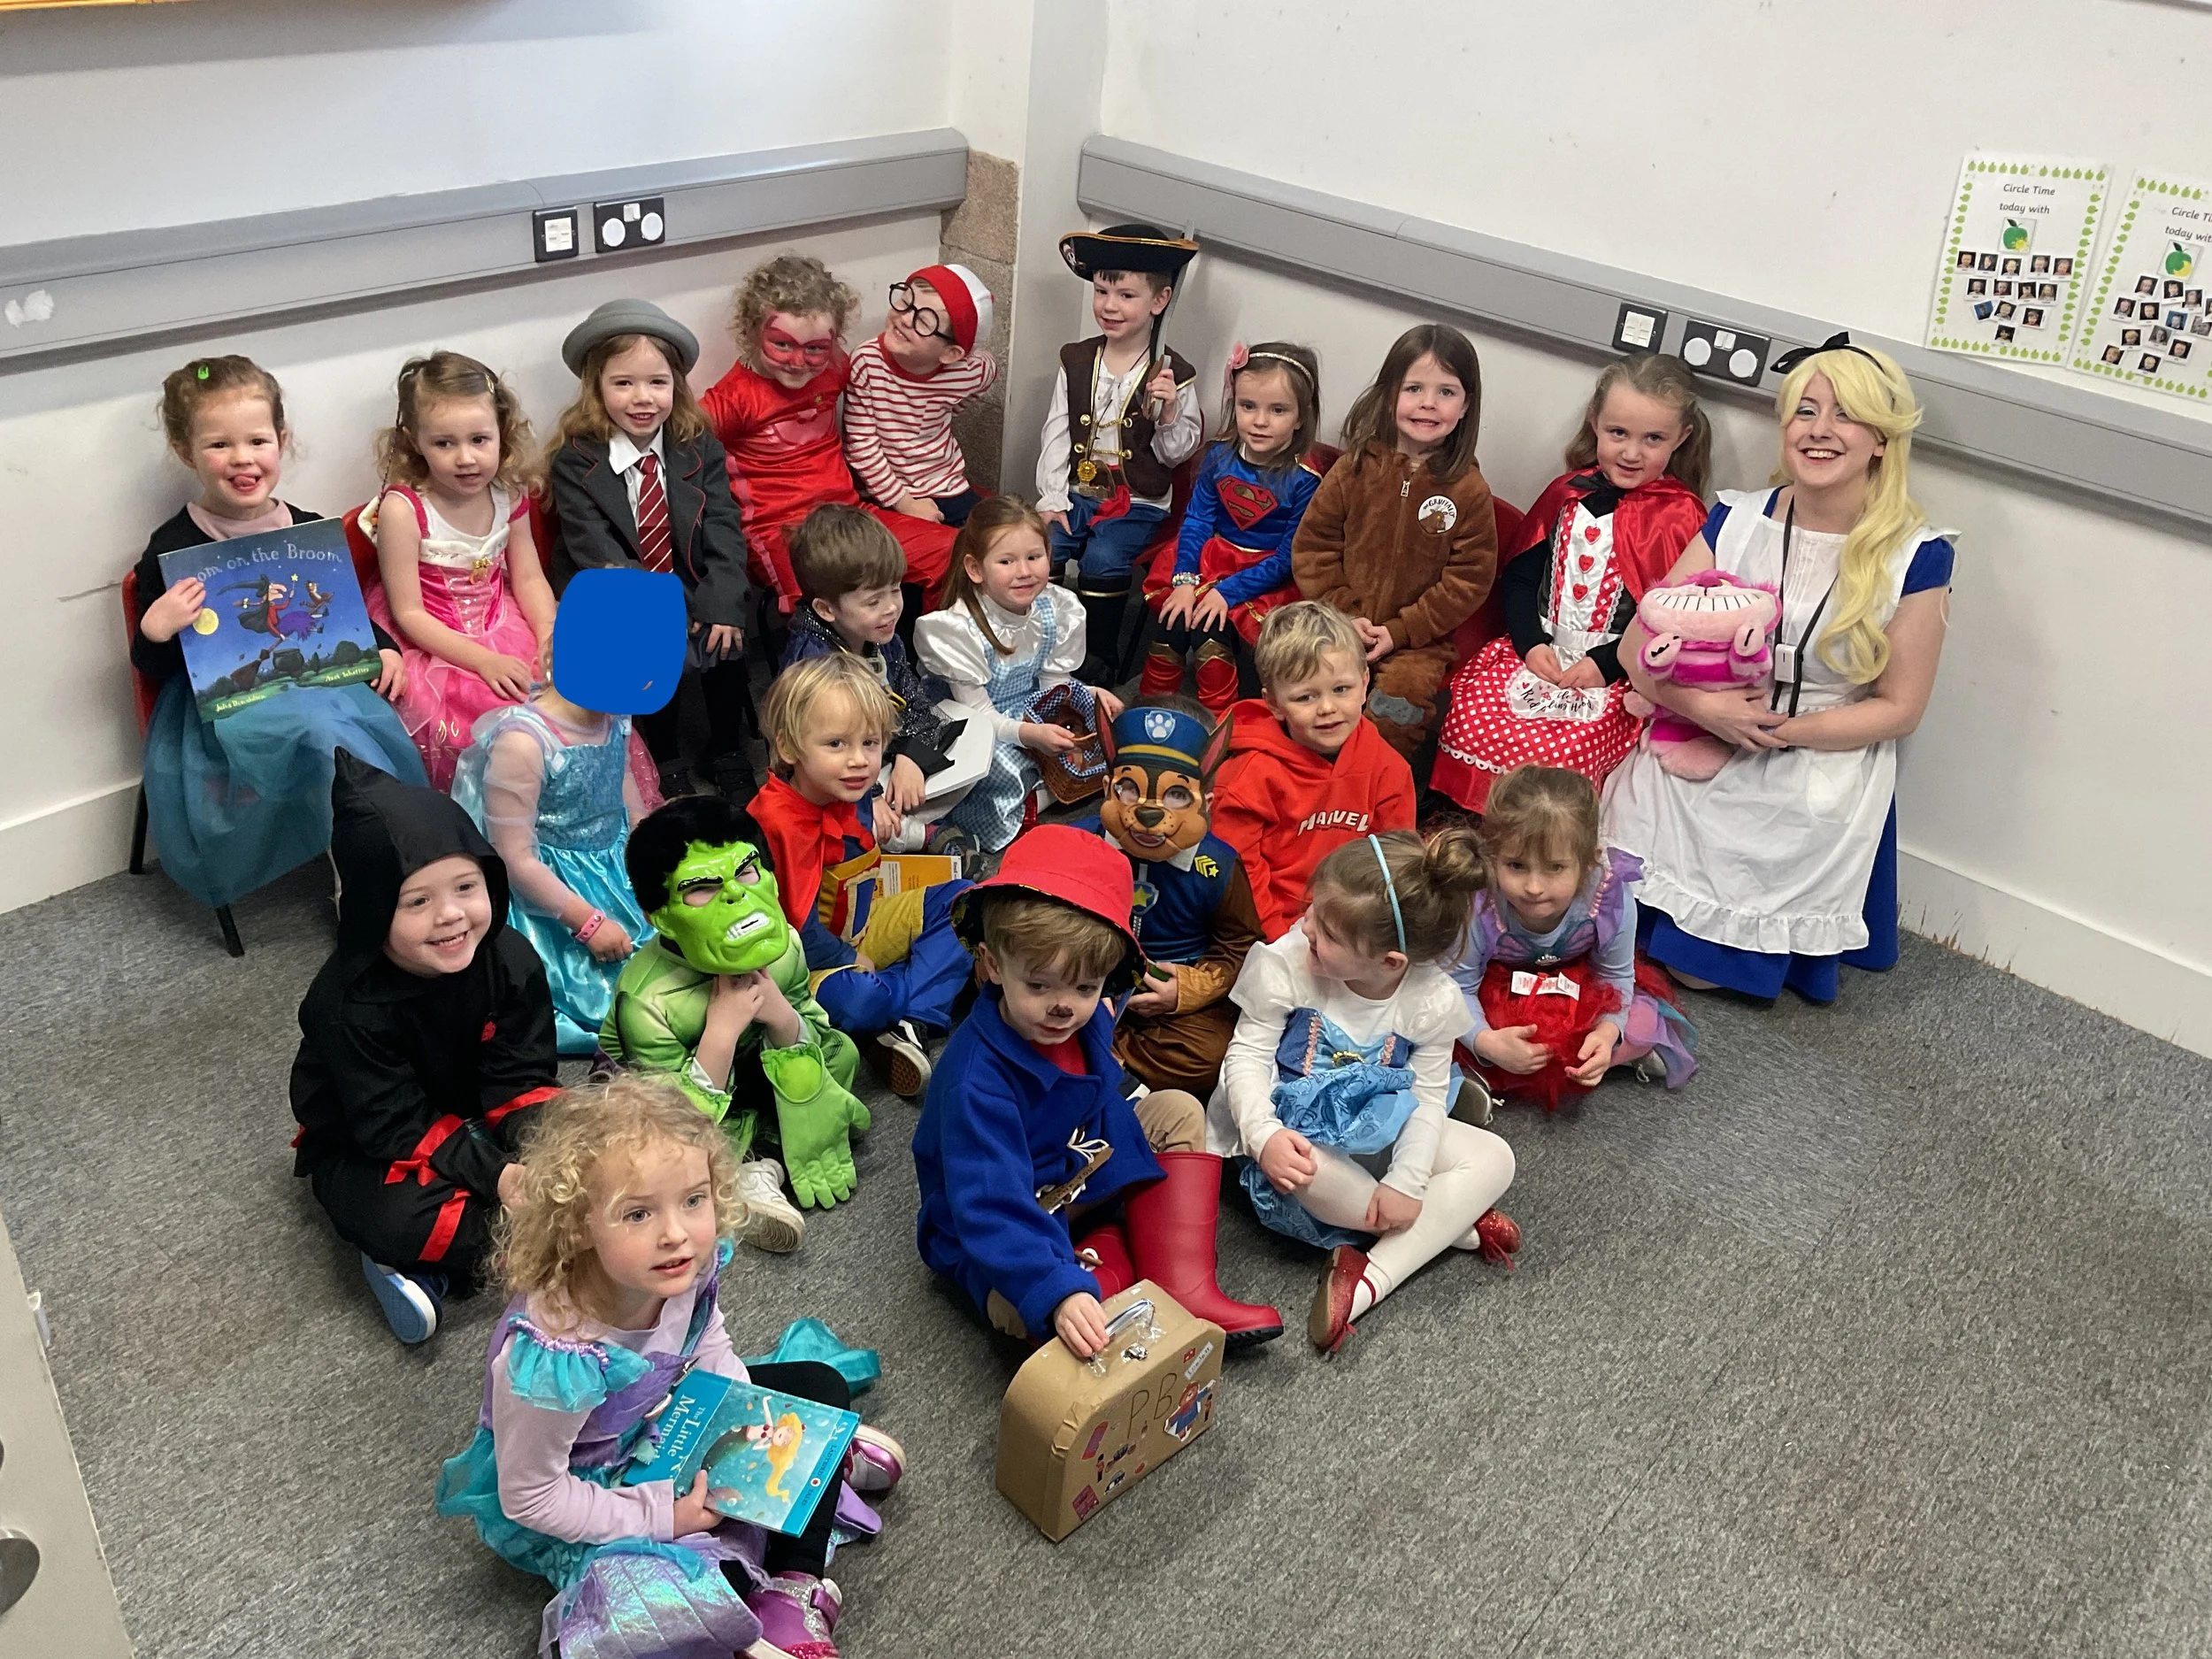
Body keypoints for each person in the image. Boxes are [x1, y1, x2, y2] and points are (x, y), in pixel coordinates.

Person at [434, 1075, 906, 1659]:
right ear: (579, 1223)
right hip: (596, 1483)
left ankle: (793, 1583)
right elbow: (533, 1497)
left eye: (694, 1200)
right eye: (638, 1213)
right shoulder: (554, 1355)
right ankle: (811, 1486)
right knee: (684, 1593)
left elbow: (707, 1338)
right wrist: (665, 1516)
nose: (677, 1234)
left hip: (667, 1420)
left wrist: (746, 1421)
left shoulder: (684, 1265)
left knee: (819, 1384)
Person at [1601, 337, 1955, 1004]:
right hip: (1704, 724)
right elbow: (1634, 647)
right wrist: (1704, 710)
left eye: (1844, 415)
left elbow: (1900, 708)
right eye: (1805, 412)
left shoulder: (1917, 556)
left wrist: (1776, 732)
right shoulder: (1735, 519)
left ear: (1881, 440)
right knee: (1607, 899)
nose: (1819, 430)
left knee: (1695, 968)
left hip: (1818, 743)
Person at [911, 825, 1283, 1352]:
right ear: (993, 965)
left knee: (1178, 1110)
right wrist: (1057, 1290)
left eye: (1085, 987)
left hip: (1075, 1169)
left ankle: (1179, 1287)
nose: (1063, 1006)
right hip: (1006, 1216)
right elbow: (991, 1206)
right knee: (1025, 1312)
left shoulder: (1087, 1019)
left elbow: (1103, 1097)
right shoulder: (976, 1082)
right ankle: (1101, 1272)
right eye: (1038, 985)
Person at [130, 355, 424, 913]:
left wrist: (384, 648)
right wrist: (157, 627)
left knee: (343, 726)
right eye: (219, 445)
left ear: (281, 441)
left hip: (318, 685)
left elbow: (341, 615)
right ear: (185, 451)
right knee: (325, 734)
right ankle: (363, 878)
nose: (242, 458)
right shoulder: (172, 546)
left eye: (258, 441)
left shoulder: (307, 528)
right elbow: (154, 666)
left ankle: (383, 853)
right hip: (227, 708)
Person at [1210, 828, 1519, 1354]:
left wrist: (1407, 1181)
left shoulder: (1432, 1000)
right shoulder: (1289, 960)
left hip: (1381, 1128)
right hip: (1296, 1134)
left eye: (1327, 932)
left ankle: (1368, 1280)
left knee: (1497, 1158)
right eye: (1313, 910)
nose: (1306, 926)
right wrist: (1264, 1137)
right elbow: (1247, 1057)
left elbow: (1426, 1099)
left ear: (1390, 962)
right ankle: (1448, 1226)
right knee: (1308, 1164)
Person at [289, 753, 557, 1344]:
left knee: (577, 1142)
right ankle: (424, 1262)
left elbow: (522, 1074)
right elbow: (393, 1124)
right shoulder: (346, 1006)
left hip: (475, 1113)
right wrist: (500, 1176)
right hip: (372, 1139)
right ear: (372, 909)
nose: (452, 915)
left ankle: (478, 1253)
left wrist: (548, 1151)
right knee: (398, 1215)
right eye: (417, 902)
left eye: (466, 887)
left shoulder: (510, 958)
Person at [1432, 354, 1711, 811]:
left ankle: (1551, 842)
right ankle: (1468, 828)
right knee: (1471, 715)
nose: (1631, 453)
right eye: (1618, 433)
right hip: (1538, 651)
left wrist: (1607, 663)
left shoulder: (1681, 516)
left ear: (1681, 437)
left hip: (1615, 672)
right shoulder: (1566, 493)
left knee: (1563, 759)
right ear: (1595, 422)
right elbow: (1520, 577)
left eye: (1653, 439)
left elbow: (1672, 620)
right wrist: (1530, 644)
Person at [603, 793, 871, 1226]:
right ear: (661, 918)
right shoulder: (647, 1002)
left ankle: (759, 1159)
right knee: (648, 1149)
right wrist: (720, 1033)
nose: (734, 895)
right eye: (701, 888)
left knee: (841, 1054)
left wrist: (781, 1016)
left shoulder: (784, 946)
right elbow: (667, 1116)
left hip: (757, 1062)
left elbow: (814, 1029)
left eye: (746, 871)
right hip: (679, 1090)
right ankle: (753, 1168)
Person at [543, 300, 756, 803]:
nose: (643, 398)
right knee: (646, 645)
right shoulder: (575, 460)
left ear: (675, 386)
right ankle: (664, 755)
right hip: (617, 584)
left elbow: (724, 527)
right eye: (623, 383)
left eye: (657, 382)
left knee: (726, 633)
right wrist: (667, 611)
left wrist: (719, 600)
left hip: (689, 573)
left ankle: (727, 747)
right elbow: (594, 548)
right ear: (597, 387)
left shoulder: (698, 447)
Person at [449, 580, 667, 1056]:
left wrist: (651, 863)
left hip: (613, 864)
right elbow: (513, 859)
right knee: (626, 1003)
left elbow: (627, 798)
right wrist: (587, 923)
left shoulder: (615, 711)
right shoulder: (525, 743)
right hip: (551, 891)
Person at [748, 654, 974, 1100]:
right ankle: (922, 997)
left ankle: (909, 1019)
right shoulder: (777, 820)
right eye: (836, 744)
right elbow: (795, 930)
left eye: (870, 743)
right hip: (810, 962)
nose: (859, 761)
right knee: (861, 1000)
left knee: (967, 902)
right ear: (789, 749)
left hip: (864, 923)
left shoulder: (848, 789)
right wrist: (851, 959)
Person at [699, 253, 956, 617]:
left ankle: (925, 649)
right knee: (824, 604)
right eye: (782, 344)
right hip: (780, 532)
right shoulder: (732, 401)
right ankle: (826, 655)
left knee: (955, 554)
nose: (798, 362)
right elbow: (678, 435)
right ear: (754, 331)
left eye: (815, 348)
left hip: (847, 516)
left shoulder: (835, 368)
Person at [1292, 323, 1498, 756]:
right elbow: (1315, 548)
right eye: (1414, 388)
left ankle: (1373, 783)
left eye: (1446, 392)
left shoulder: (1468, 490)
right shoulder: (1354, 469)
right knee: (1311, 690)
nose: (1428, 403)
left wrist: (1400, 630)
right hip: (1338, 622)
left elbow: (1468, 580)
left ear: (1465, 405)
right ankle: (1309, 775)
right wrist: (1346, 615)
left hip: (1417, 641)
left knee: (1397, 709)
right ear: (1390, 396)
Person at [1443, 765, 1697, 1110]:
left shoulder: (1609, 896)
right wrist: (1486, 1042)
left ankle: (1595, 1058)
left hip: (1577, 981)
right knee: (1434, 1022)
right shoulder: (1478, 903)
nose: (1534, 887)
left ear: (1588, 864)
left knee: (1642, 1020)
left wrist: (1607, 1032)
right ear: (1492, 856)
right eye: (1516, 866)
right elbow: (1457, 987)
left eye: (1555, 867)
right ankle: (1481, 1069)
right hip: (1498, 984)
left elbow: (1616, 975)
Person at [362, 351, 557, 790]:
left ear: (502, 431)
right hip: (435, 641)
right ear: (414, 441)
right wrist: (483, 660)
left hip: (501, 618)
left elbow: (528, 577)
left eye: (479, 439)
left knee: (566, 691)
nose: (466, 458)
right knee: (497, 716)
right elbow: (408, 613)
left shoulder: (509, 493)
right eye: (444, 444)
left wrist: (549, 633)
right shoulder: (404, 509)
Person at [1035, 223, 1203, 681]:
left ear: (1159, 301)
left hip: (1139, 500)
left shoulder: (1174, 372)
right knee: (1045, 545)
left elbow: (1176, 454)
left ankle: (1098, 658)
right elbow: (1057, 431)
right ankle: (1041, 640)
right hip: (1078, 489)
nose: (1110, 305)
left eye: (1126, 295)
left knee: (1103, 558)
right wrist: (1052, 497)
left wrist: (1169, 412)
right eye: (1102, 291)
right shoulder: (1076, 360)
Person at [914, 496, 1125, 853]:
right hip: (971, 719)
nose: (1024, 571)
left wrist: (1088, 694)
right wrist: (1030, 735)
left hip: (1027, 701)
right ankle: (1024, 804)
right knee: (1001, 764)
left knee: (1099, 728)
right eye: (1006, 561)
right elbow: (979, 714)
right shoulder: (958, 628)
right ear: (975, 569)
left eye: (1034, 557)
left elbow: (1053, 687)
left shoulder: (1056, 607)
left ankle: (1044, 792)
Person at [1075, 699, 1263, 1098]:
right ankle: (1099, 1057)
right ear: (1107, 789)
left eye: (1177, 794)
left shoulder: (1218, 866)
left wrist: (1189, 989)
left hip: (1169, 999)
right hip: (1082, 982)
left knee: (1213, 1058)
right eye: (1129, 789)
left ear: (1206, 805)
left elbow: (1240, 943)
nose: (1149, 814)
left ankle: (1095, 1057)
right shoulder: (1078, 843)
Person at [1208, 602, 1416, 940]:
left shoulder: (1389, 768)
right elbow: (1238, 876)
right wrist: (1279, 938)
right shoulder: (1248, 776)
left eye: (1341, 689)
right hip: (1264, 927)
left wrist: (1366, 931)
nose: (1327, 708)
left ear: (1365, 682)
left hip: (1352, 924)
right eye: (1305, 697)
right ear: (1274, 703)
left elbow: (1394, 865)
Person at [1142, 341, 1326, 717]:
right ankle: (1149, 707)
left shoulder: (1306, 478)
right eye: (1248, 406)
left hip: (1265, 576)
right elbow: (1197, 520)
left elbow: (1289, 556)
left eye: (1278, 410)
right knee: (1173, 617)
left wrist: (1226, 594)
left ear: (1300, 416)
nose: (1260, 421)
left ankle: (1221, 718)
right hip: (1211, 557)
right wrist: (1185, 580)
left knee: (1210, 628)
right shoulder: (1219, 455)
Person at [780, 504, 960, 825]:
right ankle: (914, 831)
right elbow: (819, 756)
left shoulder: (880, 635)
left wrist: (911, 755)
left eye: (895, 590)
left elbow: (915, 703)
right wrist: (871, 795)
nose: (891, 608)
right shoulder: (812, 665)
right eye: (873, 601)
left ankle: (907, 826)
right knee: (862, 820)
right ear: (826, 609)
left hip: (882, 749)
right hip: (837, 778)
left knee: (973, 736)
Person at [841, 263, 999, 528]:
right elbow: (861, 445)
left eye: (924, 322)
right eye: (906, 302)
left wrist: (951, 406)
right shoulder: (867, 361)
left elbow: (989, 369)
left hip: (946, 484)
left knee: (993, 536)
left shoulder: (965, 371)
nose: (905, 319)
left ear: (951, 354)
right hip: (888, 491)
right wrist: (905, 503)